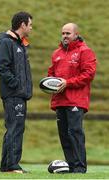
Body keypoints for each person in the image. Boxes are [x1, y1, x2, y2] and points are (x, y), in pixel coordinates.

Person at [48, 23, 97, 173]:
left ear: (76, 34)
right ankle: (71, 165)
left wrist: (67, 83)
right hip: (60, 101)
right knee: (64, 134)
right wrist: (51, 84)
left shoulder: (85, 52)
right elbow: (51, 74)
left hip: (76, 100)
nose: (65, 36)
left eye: (68, 33)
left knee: (75, 132)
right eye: (63, 33)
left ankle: (80, 167)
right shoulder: (56, 54)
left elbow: (89, 74)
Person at [0, 11, 33, 173]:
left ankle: (6, 165)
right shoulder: (6, 43)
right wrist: (16, 85)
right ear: (22, 24)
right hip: (13, 94)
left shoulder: (20, 44)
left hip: (20, 94)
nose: (31, 28)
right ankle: (11, 165)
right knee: (15, 128)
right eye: (30, 24)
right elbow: (1, 68)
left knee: (16, 127)